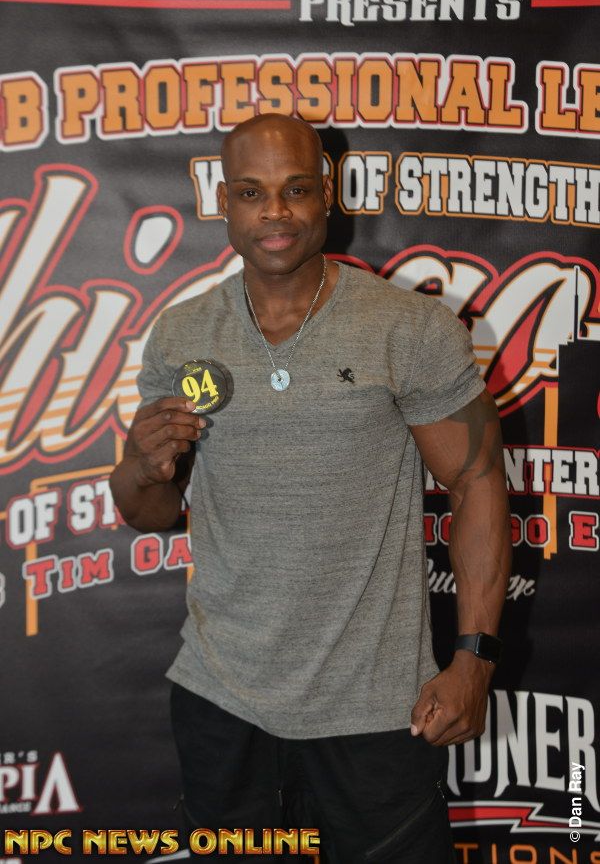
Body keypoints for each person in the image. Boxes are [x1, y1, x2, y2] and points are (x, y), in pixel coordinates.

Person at [110, 114, 511, 863]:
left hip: (376, 706)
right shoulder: (182, 334)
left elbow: (478, 480)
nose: (276, 212)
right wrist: (139, 465)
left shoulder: (407, 327)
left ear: (327, 194)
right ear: (223, 203)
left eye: (295, 189)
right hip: (221, 696)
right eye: (251, 193)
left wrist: (475, 658)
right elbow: (152, 510)